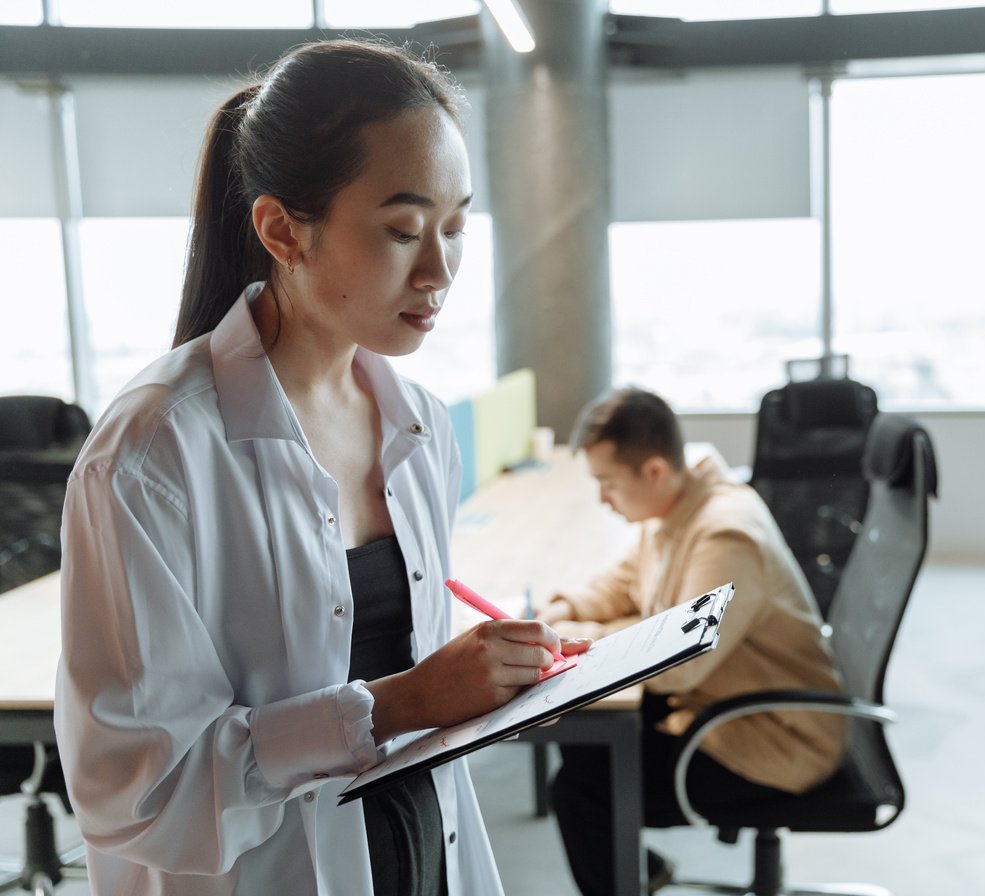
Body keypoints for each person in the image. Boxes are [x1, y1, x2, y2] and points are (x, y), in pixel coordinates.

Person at [54, 38, 587, 896]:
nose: (441, 270)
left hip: (417, 854)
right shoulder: (154, 452)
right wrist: (403, 702)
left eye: (454, 228)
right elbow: (135, 793)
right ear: (281, 230)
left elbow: (401, 665)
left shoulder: (418, 424)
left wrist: (497, 679)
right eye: (404, 229)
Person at [537, 387, 847, 895]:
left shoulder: (724, 536)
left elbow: (680, 665)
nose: (602, 499)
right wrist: (568, 607)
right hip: (722, 704)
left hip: (772, 739)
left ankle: (632, 874)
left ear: (654, 471)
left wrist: (576, 640)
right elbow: (628, 578)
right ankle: (639, 872)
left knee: (581, 791)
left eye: (608, 483)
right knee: (583, 752)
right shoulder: (676, 506)